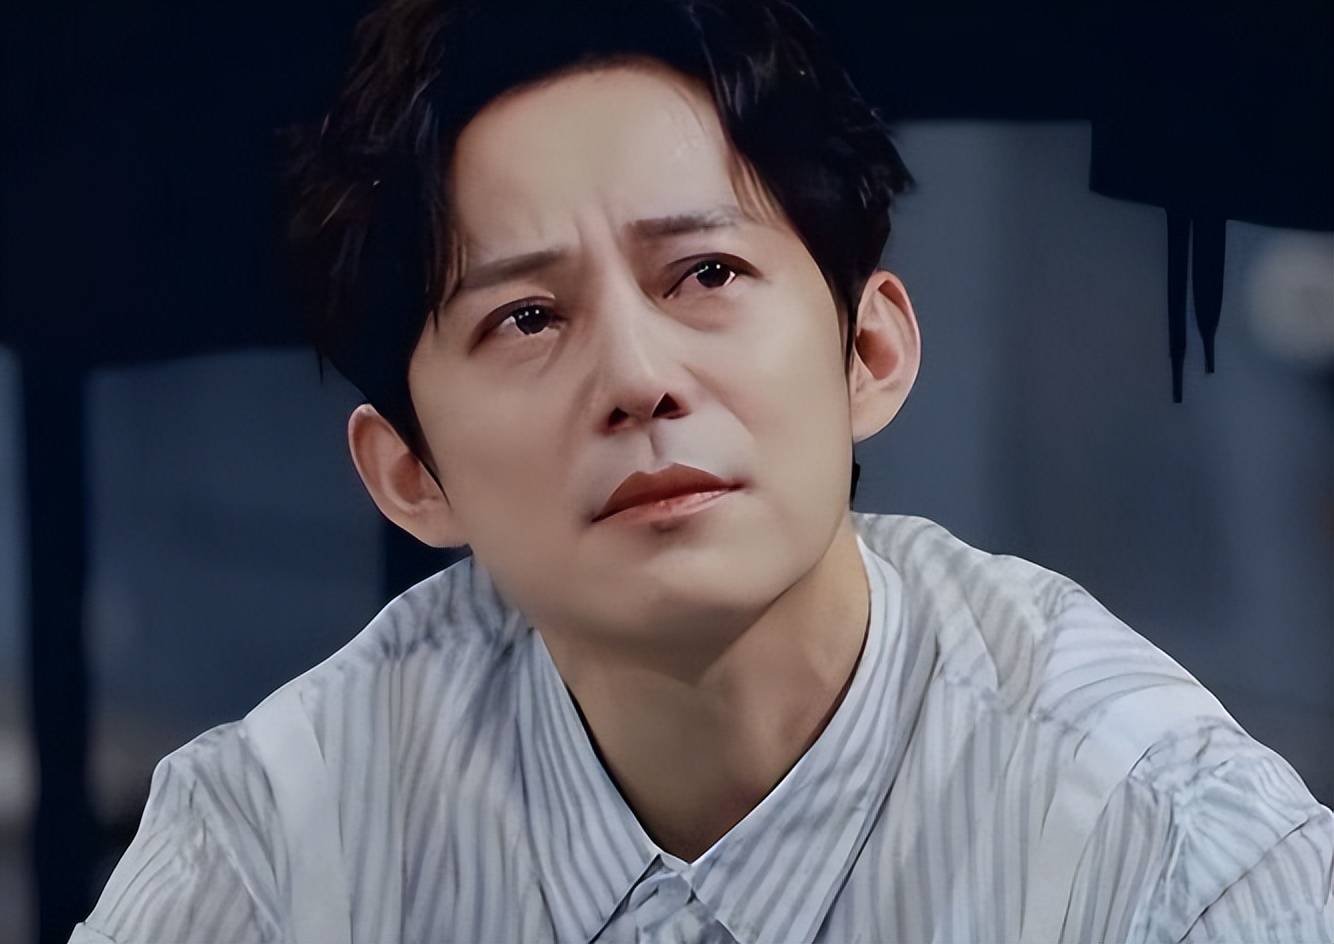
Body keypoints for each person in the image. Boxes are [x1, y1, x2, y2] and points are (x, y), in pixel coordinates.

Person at [71, 0, 1334, 941]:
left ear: (870, 349)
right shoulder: (273, 848)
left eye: (705, 273)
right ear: (411, 474)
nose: (637, 376)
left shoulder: (1167, 853)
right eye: (526, 317)